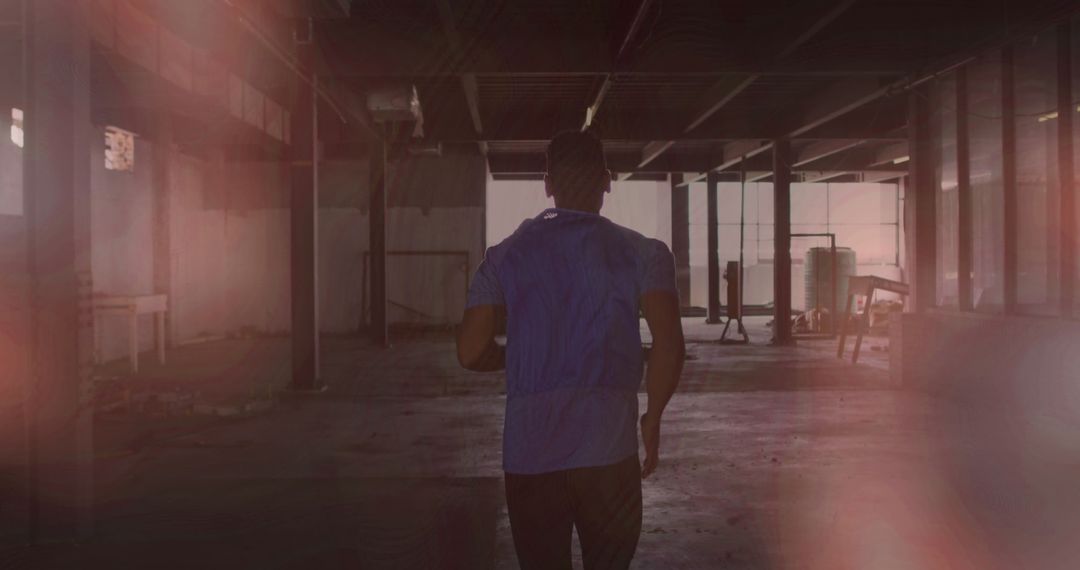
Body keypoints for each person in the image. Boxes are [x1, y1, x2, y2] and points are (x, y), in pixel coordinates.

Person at [456, 130, 685, 569]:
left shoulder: (503, 256)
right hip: (609, 453)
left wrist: (511, 358)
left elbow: (469, 352)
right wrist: (652, 417)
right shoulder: (645, 253)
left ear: (548, 185)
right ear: (607, 181)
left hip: (530, 454)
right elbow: (669, 345)